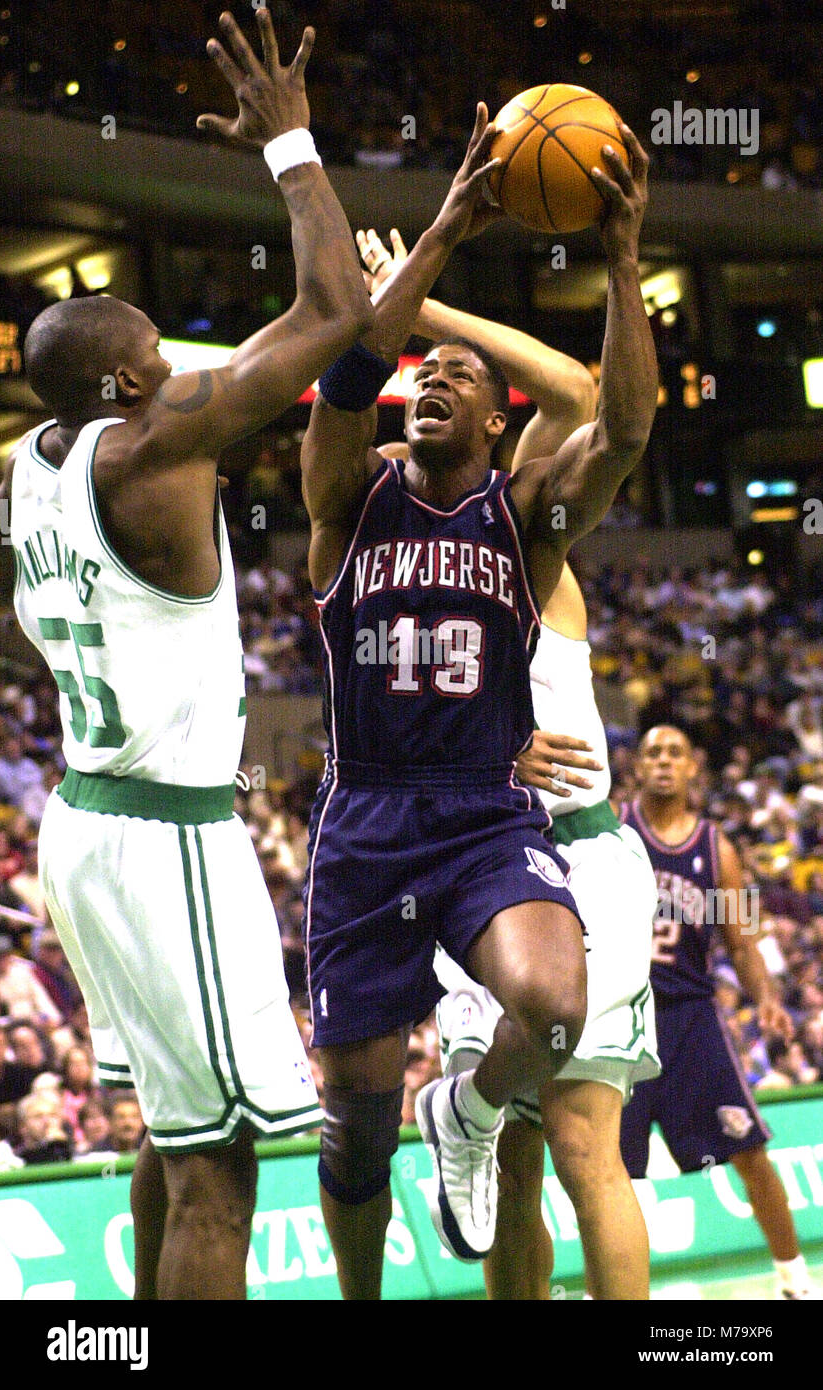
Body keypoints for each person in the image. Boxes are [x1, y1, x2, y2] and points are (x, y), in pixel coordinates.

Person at [0, 8, 374, 1300]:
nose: (175, 369)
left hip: (81, 818)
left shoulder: (26, 469)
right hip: (165, 835)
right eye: (156, 361)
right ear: (120, 394)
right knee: (222, 1167)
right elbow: (333, 306)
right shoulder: (154, 448)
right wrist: (289, 144)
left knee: (171, 1121)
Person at [299, 113, 657, 1298]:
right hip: (363, 824)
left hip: (481, 820)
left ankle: (468, 1102)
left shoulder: (526, 519)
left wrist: (621, 255)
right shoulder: (346, 503)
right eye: (423, 373)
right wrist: (447, 225)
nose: (431, 378)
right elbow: (350, 370)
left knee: (553, 1006)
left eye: (457, 376)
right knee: (353, 1135)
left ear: (497, 427)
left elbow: (628, 424)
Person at [620, 725, 812, 1300]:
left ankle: (794, 1279)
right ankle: (614, 1289)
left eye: (674, 753)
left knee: (749, 1148)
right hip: (622, 1017)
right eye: (653, 752)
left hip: (691, 1019)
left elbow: (743, 938)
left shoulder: (717, 848)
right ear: (637, 767)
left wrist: (768, 998)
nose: (662, 761)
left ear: (692, 769)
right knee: (609, 1171)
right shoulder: (615, 830)